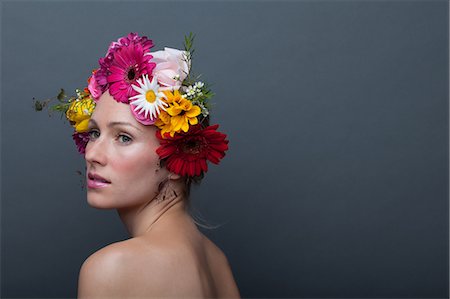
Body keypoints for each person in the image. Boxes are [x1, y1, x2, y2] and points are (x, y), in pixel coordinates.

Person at [36, 32, 240, 298]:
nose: (92, 154)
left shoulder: (112, 268)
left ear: (180, 159)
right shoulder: (216, 262)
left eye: (123, 137)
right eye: (94, 133)